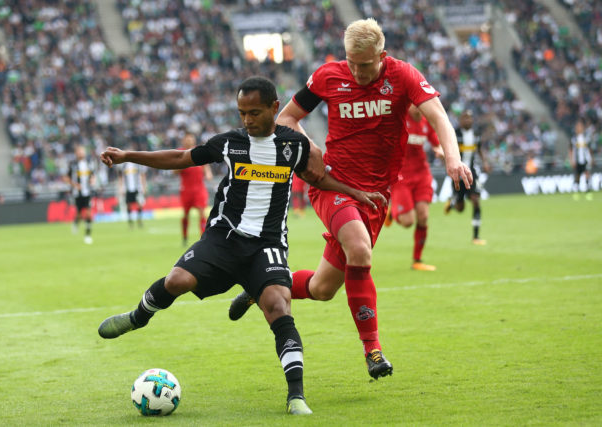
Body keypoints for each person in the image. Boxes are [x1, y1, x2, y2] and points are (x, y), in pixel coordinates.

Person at [97, 77, 386, 415]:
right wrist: (128, 156)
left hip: (268, 243)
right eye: (241, 113)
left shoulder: (294, 146)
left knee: (279, 306)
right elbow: (181, 157)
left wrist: (355, 193)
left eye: (254, 112)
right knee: (176, 281)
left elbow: (317, 177)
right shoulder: (230, 143)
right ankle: (139, 316)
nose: (247, 120)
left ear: (275, 109)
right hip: (224, 238)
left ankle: (296, 397)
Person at [228, 19, 473, 380]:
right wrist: (309, 146)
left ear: (382, 56)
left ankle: (260, 285)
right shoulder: (329, 76)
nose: (357, 71)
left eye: (366, 64)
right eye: (351, 62)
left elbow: (438, 115)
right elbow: (287, 118)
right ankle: (372, 350)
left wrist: (453, 157)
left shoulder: (403, 76)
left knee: (322, 288)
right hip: (334, 186)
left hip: (375, 197)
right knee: (359, 248)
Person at [384, 104, 444, 271]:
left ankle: (417, 260)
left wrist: (441, 151)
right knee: (408, 222)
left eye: (419, 105)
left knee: (424, 216)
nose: (416, 108)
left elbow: (436, 143)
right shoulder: (401, 120)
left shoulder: (426, 123)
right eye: (413, 105)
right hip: (401, 175)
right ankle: (393, 211)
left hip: (422, 174)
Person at [443, 110, 489, 245]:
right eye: (465, 118)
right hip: (458, 172)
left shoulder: (476, 134)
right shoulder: (455, 134)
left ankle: (476, 237)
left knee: (476, 200)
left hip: (472, 172)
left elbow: (479, 149)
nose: (468, 120)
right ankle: (452, 203)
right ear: (460, 120)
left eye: (470, 118)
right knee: (460, 208)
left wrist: (485, 162)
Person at [176, 132, 213, 245]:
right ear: (183, 140)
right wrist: (182, 165)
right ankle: (185, 237)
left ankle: (203, 238)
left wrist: (208, 173)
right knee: (186, 214)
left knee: (202, 213)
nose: (189, 141)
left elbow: (206, 167)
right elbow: (174, 170)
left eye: (191, 139)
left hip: (199, 189)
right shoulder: (180, 152)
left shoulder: (199, 151)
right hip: (186, 189)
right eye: (187, 139)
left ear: (193, 140)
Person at [66, 146, 96, 244]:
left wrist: (92, 180)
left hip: (87, 192)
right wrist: (75, 185)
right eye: (79, 151)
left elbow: (93, 175)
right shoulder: (73, 165)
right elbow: (67, 178)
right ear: (76, 153)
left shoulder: (89, 163)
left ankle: (87, 235)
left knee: (88, 213)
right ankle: (75, 223)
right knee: (79, 213)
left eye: (82, 151)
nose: (81, 153)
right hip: (77, 194)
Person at [119, 156, 147, 228]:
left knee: (140, 204)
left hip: (137, 188)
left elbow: (142, 175)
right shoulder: (124, 165)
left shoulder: (137, 165)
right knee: (128, 205)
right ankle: (130, 221)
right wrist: (121, 187)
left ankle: (139, 220)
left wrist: (144, 187)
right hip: (127, 189)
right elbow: (121, 177)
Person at [570, 120, 594, 201]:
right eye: (578, 126)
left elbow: (590, 149)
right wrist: (571, 159)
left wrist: (591, 158)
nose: (579, 128)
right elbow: (570, 150)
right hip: (577, 160)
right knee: (578, 176)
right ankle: (576, 192)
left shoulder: (586, 138)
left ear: (583, 128)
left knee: (587, 174)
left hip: (585, 160)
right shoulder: (573, 139)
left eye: (580, 126)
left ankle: (588, 192)